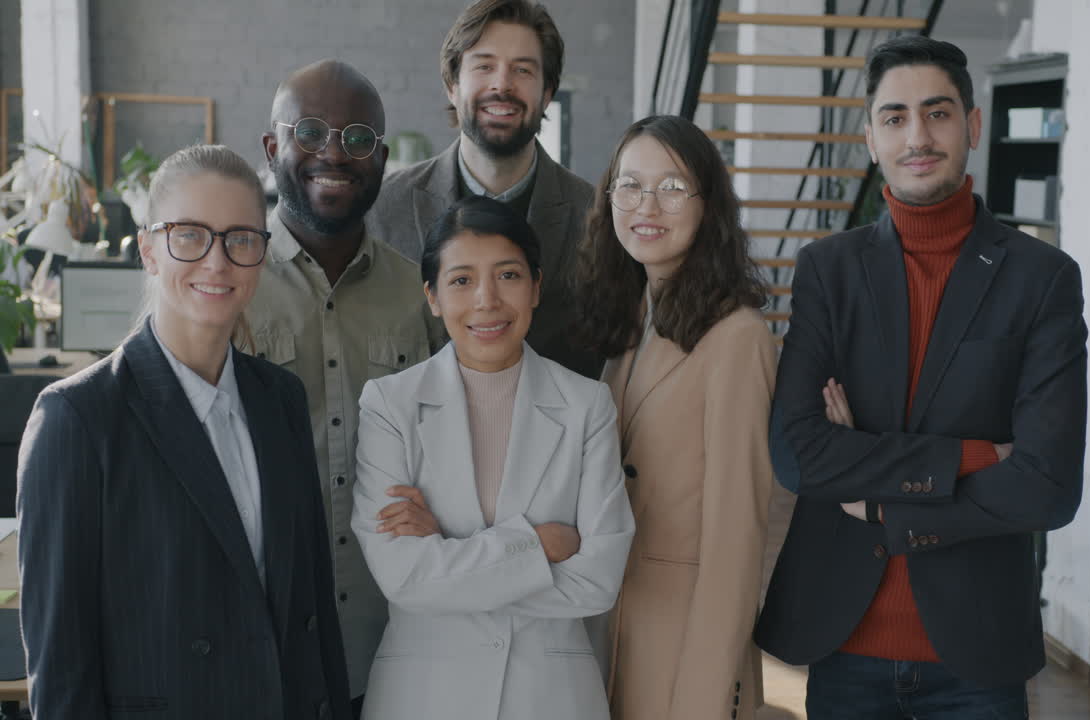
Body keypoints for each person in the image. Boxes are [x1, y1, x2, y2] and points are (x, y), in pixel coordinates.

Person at [754, 36, 1088, 718]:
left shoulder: (1042, 278)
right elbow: (798, 454)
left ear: (971, 124)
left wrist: (882, 505)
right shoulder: (828, 270)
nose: (917, 136)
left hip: (978, 655)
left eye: (936, 114)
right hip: (844, 645)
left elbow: (1048, 489)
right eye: (895, 117)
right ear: (871, 137)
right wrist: (972, 455)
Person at [16, 145, 351, 718]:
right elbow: (62, 668)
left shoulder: (281, 399)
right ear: (147, 249)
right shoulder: (77, 420)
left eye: (240, 238)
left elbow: (311, 609)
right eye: (189, 234)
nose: (217, 262)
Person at [351, 196, 634, 720]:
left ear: (536, 288)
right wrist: (540, 544)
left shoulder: (587, 405)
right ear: (432, 297)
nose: (486, 300)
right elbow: (404, 580)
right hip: (423, 695)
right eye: (461, 280)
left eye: (508, 275)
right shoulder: (390, 404)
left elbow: (598, 582)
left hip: (550, 697)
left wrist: (449, 559)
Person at [573, 114, 776, 720]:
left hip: (689, 642)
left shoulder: (737, 335)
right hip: (613, 625)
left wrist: (705, 695)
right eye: (630, 185)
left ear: (707, 204)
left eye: (671, 187)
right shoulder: (633, 314)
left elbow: (737, 538)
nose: (647, 205)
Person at [251, 60, 436, 715]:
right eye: (310, 131)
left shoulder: (422, 296)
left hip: (391, 646)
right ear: (273, 148)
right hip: (260, 646)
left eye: (358, 139)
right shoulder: (228, 288)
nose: (334, 151)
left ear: (381, 160)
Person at [366, 0, 599, 379]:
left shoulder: (597, 218)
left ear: (547, 93)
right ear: (452, 86)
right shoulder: (381, 209)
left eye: (522, 69)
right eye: (484, 65)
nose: (502, 84)